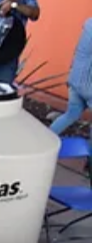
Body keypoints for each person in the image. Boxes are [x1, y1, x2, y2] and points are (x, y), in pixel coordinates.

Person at [49, 17, 92, 167]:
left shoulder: (89, 24)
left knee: (71, 114)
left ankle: (43, 144)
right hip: (89, 84)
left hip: (76, 78)